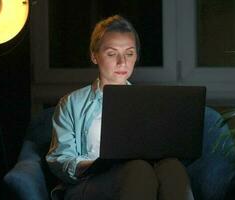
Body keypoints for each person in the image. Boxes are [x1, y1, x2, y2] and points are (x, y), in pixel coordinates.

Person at [46, 15, 195, 200]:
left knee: (172, 166)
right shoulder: (71, 104)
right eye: (111, 53)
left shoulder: (148, 104)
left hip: (141, 176)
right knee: (137, 169)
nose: (122, 62)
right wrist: (95, 164)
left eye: (129, 53)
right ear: (94, 56)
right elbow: (60, 160)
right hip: (90, 182)